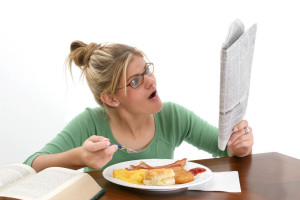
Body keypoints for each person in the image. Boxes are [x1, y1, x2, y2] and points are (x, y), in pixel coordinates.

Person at [24, 41, 254, 173]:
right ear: (111, 99)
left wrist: (239, 146)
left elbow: (224, 149)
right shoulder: (91, 122)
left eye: (147, 70)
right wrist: (81, 157)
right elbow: (31, 164)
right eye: (135, 81)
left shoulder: (173, 116)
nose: (151, 81)